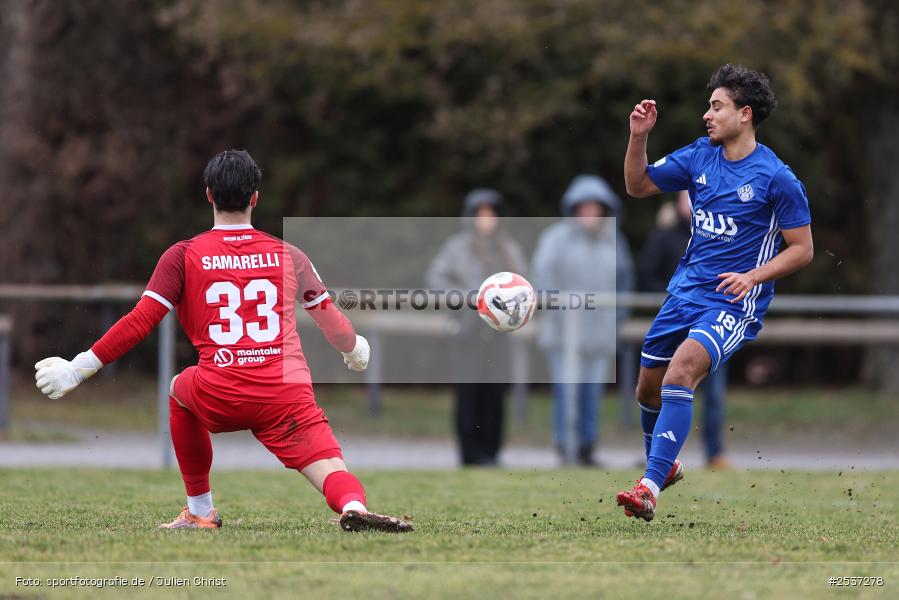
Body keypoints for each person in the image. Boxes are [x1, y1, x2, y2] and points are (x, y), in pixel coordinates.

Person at [33, 150, 412, 533]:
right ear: (255, 198)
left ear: (209, 194)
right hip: (285, 392)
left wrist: (78, 369)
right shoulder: (290, 254)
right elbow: (333, 323)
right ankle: (352, 504)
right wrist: (355, 349)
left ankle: (200, 511)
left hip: (221, 391)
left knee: (179, 389)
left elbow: (140, 321)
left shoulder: (183, 255)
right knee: (330, 465)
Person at [617, 64, 813, 521]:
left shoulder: (776, 178)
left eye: (717, 106)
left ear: (744, 114)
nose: (708, 115)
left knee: (680, 372)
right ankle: (665, 467)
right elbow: (637, 184)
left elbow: (802, 250)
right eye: (709, 106)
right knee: (647, 390)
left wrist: (753, 277)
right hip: (684, 292)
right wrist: (639, 137)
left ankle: (649, 486)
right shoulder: (700, 156)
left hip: (733, 301)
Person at [532, 175, 634, 466]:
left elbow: (624, 282)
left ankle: (587, 448)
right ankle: (565, 446)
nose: (590, 213)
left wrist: (617, 318)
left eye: (595, 207)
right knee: (567, 390)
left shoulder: (615, 241)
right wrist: (557, 314)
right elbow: (543, 279)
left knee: (592, 392)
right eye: (584, 207)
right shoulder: (555, 239)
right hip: (563, 334)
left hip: (600, 333)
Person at [425, 189, 527, 466]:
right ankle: (469, 453)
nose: (486, 220)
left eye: (491, 214)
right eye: (480, 214)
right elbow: (436, 278)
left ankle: (491, 452)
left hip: (497, 334)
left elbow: (523, 285)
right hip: (467, 332)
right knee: (468, 394)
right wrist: (468, 297)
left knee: (494, 394)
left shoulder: (509, 249)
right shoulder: (456, 247)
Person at [638, 190, 732, 469]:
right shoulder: (663, 237)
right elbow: (646, 275)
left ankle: (714, 453)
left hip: (710, 320)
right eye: (686, 198)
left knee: (711, 394)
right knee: (650, 390)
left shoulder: (723, 237)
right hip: (674, 316)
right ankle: (657, 459)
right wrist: (675, 297)